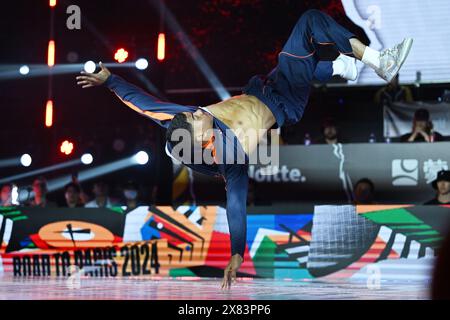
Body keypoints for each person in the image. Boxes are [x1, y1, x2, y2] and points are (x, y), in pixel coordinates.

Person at [76, 9, 413, 289]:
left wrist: (110, 81)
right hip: (284, 103)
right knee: (309, 23)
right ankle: (374, 62)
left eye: (191, 114)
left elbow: (144, 104)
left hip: (265, 86)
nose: (196, 111)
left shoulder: (180, 120)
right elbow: (235, 205)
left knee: (296, 60)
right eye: (195, 120)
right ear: (200, 144)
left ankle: (345, 67)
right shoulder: (230, 159)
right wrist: (237, 252)